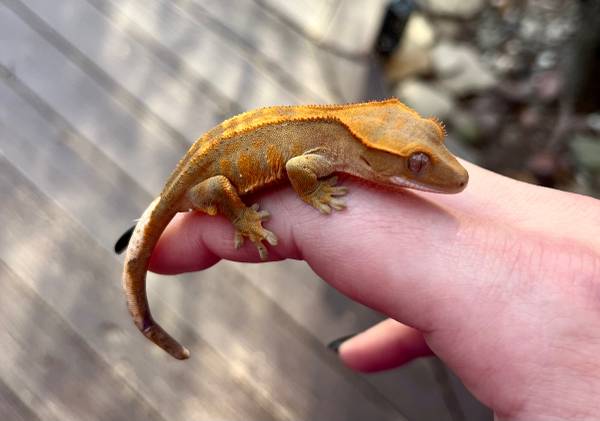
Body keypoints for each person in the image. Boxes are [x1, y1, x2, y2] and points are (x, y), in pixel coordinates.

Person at [148, 161, 600, 420]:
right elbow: (299, 166)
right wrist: (247, 218)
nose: (456, 174)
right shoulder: (326, 157)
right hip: (203, 191)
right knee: (224, 189)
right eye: (416, 163)